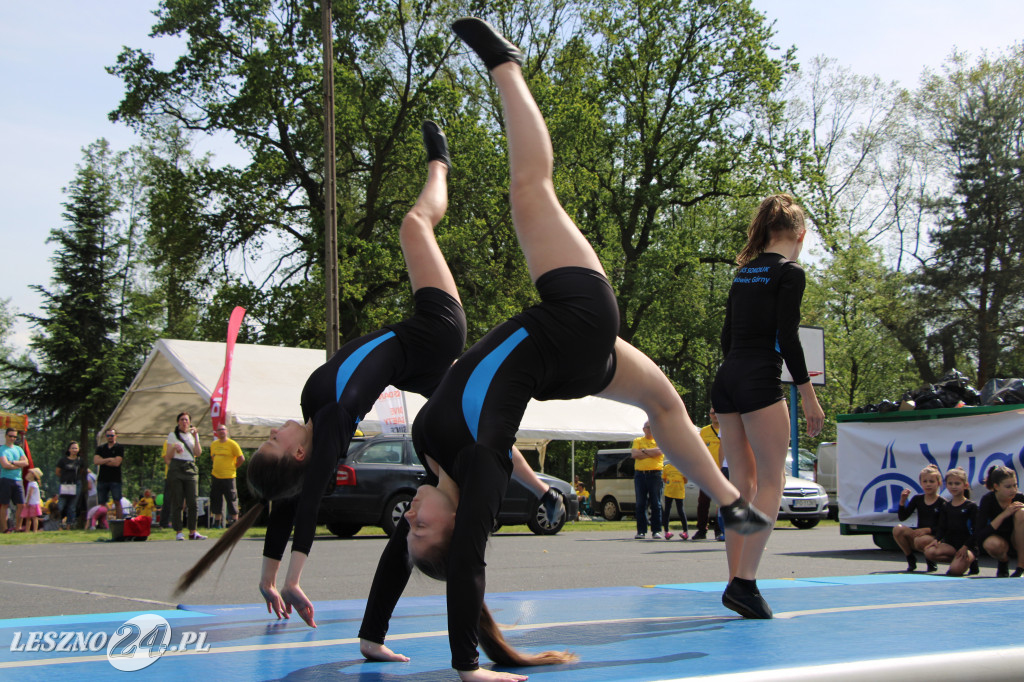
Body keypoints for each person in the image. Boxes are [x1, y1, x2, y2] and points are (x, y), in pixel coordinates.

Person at [357, 20, 771, 681]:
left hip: (568, 366)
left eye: (405, 527)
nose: (408, 522)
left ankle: (727, 500)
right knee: (531, 191)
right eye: (419, 531)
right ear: (456, 521)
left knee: (665, 405)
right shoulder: (476, 465)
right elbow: (465, 563)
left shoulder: (433, 459)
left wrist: (373, 636)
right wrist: (468, 666)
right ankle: (505, 66)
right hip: (574, 321)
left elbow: (406, 554)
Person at [711, 192, 825, 620]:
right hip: (759, 379)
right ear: (800, 233)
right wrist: (808, 395)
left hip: (729, 380)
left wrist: (725, 393)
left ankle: (735, 580)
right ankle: (744, 582)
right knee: (773, 481)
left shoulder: (744, 273)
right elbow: (788, 337)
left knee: (743, 485)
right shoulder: (790, 271)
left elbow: (727, 335)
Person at [922, 467, 978, 576]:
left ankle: (972, 562)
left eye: (957, 484)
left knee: (954, 571)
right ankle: (958, 560)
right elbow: (942, 527)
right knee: (929, 552)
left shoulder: (971, 506)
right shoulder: (946, 506)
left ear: (965, 485)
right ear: (946, 485)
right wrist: (936, 540)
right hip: (951, 545)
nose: (953, 486)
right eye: (950, 483)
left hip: (967, 546)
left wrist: (966, 546)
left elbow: (977, 531)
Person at [892, 464, 945, 572]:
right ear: (920, 483)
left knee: (921, 540)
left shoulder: (942, 503)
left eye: (931, 481)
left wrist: (928, 530)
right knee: (898, 529)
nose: (928, 484)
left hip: (934, 537)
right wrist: (902, 501)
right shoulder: (918, 499)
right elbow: (903, 517)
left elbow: (945, 526)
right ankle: (910, 558)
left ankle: (930, 561)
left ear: (938, 483)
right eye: (925, 482)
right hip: (919, 535)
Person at [975, 465, 1024, 578]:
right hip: (1000, 541)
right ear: (996, 487)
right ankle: (1003, 561)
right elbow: (979, 534)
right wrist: (1005, 514)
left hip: (1018, 540)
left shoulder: (1020, 498)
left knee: (1021, 512)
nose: (1013, 490)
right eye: (1008, 487)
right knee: (991, 544)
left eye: (1015, 485)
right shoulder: (988, 500)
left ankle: (1021, 567)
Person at [164, 412, 206, 541]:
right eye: (182, 420)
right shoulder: (173, 435)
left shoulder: (192, 436)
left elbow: (198, 453)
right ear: (178, 422)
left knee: (193, 501)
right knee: (178, 501)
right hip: (177, 467)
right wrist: (174, 448)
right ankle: (178, 531)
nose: (184, 422)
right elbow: (167, 457)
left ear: (190, 422)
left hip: (190, 467)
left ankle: (193, 531)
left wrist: (196, 437)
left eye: (186, 420)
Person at [632, 422, 664, 539]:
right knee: (641, 503)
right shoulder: (638, 440)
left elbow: (659, 452)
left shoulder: (659, 439)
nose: (650, 429)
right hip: (640, 474)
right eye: (648, 427)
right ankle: (641, 531)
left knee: (656, 503)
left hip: (655, 474)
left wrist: (643, 451)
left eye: (652, 427)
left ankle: (656, 530)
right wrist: (650, 452)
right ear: (644, 429)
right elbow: (634, 454)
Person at [209, 424, 245, 528]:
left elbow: (241, 458)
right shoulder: (214, 444)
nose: (221, 432)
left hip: (229, 476)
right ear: (216, 432)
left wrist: (234, 467)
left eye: (223, 430)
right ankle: (217, 522)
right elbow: (213, 457)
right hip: (216, 475)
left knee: (231, 498)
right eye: (219, 430)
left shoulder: (232, 444)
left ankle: (234, 521)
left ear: (227, 431)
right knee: (216, 498)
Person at [694, 408, 721, 540]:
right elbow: (698, 450)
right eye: (712, 413)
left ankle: (719, 530)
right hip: (708, 472)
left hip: (723, 471)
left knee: (722, 502)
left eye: (717, 413)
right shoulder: (704, 431)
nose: (715, 415)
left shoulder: (728, 429)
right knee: (703, 502)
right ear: (709, 415)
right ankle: (701, 530)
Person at [1, 428, 29, 534]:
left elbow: (26, 462)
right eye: (10, 436)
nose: (12, 438)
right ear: (6, 436)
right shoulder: (2, 449)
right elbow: (5, 465)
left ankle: (18, 527)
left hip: (18, 480)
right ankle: (4, 529)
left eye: (14, 437)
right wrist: (17, 465)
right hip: (5, 479)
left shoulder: (18, 449)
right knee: (5, 505)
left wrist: (13, 462)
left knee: (21, 504)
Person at [94, 428, 125, 520]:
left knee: (117, 501)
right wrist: (109, 459)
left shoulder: (119, 447)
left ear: (116, 436)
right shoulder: (100, 448)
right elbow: (96, 461)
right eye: (108, 435)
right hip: (102, 479)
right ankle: (102, 523)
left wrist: (102, 460)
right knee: (101, 502)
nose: (110, 437)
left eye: (112, 435)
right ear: (105, 436)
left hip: (115, 479)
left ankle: (119, 521)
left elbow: (117, 463)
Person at [55, 441, 83, 529]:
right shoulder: (63, 460)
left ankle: (69, 525)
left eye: (76, 448)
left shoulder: (80, 461)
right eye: (73, 448)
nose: (74, 450)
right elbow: (57, 472)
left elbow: (81, 472)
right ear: (69, 449)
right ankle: (56, 524)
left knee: (72, 506)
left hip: (76, 484)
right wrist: (65, 478)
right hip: (65, 484)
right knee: (61, 504)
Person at [663, 461, 688, 540]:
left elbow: (686, 480)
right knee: (667, 511)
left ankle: (685, 532)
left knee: (680, 511)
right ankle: (666, 532)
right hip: (669, 492)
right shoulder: (666, 467)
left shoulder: (682, 467)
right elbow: (664, 478)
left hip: (679, 492)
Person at [18, 468, 43, 532]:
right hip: (30, 503)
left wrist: (27, 502)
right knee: (28, 517)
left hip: (33, 503)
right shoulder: (30, 483)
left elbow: (30, 493)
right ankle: (27, 530)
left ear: (33, 474)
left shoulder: (33, 484)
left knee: (34, 517)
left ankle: (35, 530)